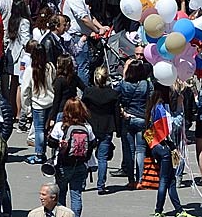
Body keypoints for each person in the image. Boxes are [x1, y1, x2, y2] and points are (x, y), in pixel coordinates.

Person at [48, 98, 94, 217]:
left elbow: (51, 142)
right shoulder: (87, 127)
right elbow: (93, 143)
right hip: (80, 164)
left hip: (63, 164)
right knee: (76, 194)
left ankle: (62, 215)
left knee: (61, 193)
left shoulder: (60, 126)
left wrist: (60, 144)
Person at [82, 66, 120, 195]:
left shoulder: (88, 92)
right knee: (102, 158)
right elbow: (116, 113)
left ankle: (82, 182)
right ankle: (101, 185)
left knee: (85, 156)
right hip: (107, 127)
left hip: (91, 126)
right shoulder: (113, 94)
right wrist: (118, 129)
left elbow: (83, 109)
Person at [117, 59, 152, 187]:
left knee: (128, 150)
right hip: (142, 118)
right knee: (141, 150)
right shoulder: (146, 84)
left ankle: (131, 180)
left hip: (127, 118)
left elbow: (116, 96)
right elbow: (152, 100)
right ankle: (140, 179)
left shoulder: (124, 84)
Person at [22, 45, 56, 165]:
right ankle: (54, 153)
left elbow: (25, 90)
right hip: (51, 102)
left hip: (38, 104)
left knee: (39, 130)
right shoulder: (50, 67)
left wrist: (26, 108)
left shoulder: (30, 70)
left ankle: (40, 154)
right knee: (50, 129)